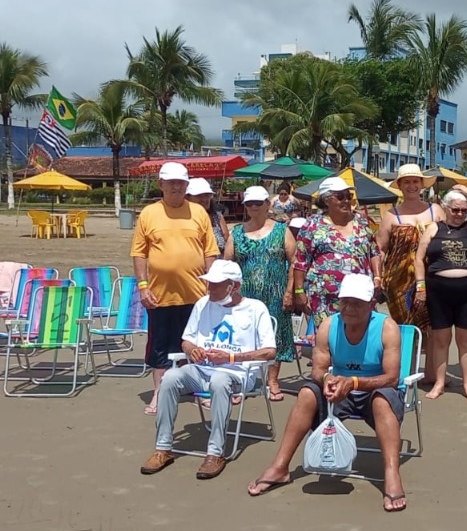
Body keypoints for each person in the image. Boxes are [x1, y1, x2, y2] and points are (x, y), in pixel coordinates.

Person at [246, 274, 408, 512]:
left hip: (374, 389)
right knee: (307, 393)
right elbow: (318, 369)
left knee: (382, 400)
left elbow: (392, 378)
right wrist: (326, 379)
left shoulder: (387, 327)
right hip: (339, 388)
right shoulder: (329, 325)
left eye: (357, 303)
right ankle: (280, 466)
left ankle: (392, 473)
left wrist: (353, 382)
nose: (349, 308)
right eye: (345, 302)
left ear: (372, 304)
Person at [139, 260, 276, 480]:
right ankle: (163, 448)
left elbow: (269, 352)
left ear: (234, 286)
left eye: (216, 284)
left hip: (238, 373)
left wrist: (230, 357)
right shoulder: (203, 304)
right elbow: (186, 341)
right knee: (170, 377)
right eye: (209, 283)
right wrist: (192, 350)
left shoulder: (255, 308)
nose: (209, 288)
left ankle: (215, 452)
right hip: (202, 370)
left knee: (220, 380)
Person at [132, 162, 220, 416]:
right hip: (159, 296)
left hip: (197, 295)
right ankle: (159, 393)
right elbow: (139, 253)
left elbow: (210, 251)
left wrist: (212, 284)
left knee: (198, 346)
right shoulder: (149, 213)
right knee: (160, 347)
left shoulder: (199, 212)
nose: (176, 187)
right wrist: (143, 286)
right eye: (171, 183)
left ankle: (201, 390)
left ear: (186, 185)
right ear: (160, 184)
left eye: (180, 183)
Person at [414, 185, 467, 401]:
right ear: (446, 208)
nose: (459, 214)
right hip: (438, 290)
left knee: (465, 340)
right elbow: (419, 258)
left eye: (463, 210)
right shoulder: (434, 228)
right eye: (455, 209)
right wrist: (420, 286)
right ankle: (439, 382)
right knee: (441, 339)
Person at [225, 185, 296, 401]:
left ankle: (272, 380)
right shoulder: (237, 232)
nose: (254, 207)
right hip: (244, 295)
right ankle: (240, 380)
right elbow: (227, 264)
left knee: (275, 336)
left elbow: (295, 262)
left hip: (275, 293)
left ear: (267, 205)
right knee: (242, 336)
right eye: (249, 203)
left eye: (258, 203)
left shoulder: (282, 230)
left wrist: (290, 291)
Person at [291, 177, 381, 327]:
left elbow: (374, 252)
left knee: (360, 335)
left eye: (348, 196)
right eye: (340, 197)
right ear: (326, 200)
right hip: (324, 297)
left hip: (359, 296)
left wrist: (377, 277)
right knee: (327, 336)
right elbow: (301, 260)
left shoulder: (361, 221)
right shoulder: (312, 225)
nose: (346, 201)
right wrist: (299, 291)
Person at [375, 164, 441, 331]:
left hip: (432, 277)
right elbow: (380, 249)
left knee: (433, 328)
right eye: (406, 182)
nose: (412, 186)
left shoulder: (436, 211)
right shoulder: (391, 215)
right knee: (405, 328)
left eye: (415, 181)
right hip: (398, 281)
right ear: (400, 185)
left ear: (421, 184)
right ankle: (405, 350)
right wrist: (377, 277)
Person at [187, 177, 230, 252]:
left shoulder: (217, 216)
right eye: (199, 195)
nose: (204, 199)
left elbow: (226, 239)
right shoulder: (184, 218)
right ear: (187, 197)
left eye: (207, 195)